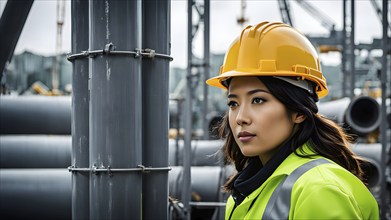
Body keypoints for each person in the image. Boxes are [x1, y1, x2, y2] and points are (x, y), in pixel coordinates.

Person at [206, 21, 379, 219]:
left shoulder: (320, 190)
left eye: (258, 100)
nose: (241, 118)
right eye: (233, 104)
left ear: (299, 111)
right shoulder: (247, 190)